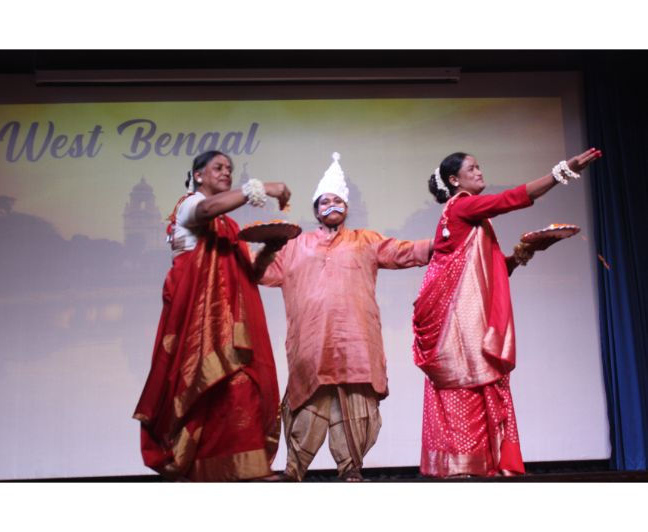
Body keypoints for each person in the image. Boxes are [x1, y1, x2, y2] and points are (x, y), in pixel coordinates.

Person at [412, 148, 602, 477]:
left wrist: (526, 250)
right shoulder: (462, 206)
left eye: (479, 166)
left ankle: (482, 467)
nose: (480, 172)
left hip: (466, 321)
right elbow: (511, 199)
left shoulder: (472, 218)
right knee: (469, 387)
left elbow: (492, 271)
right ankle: (465, 470)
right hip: (456, 324)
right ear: (455, 180)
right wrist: (562, 171)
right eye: (472, 168)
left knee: (481, 386)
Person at [256, 152, 432, 481]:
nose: (331, 206)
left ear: (347, 208)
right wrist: (259, 248)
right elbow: (260, 273)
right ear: (316, 210)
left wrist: (443, 242)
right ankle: (293, 471)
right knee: (306, 406)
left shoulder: (366, 241)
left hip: (357, 342)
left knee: (359, 408)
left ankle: (351, 470)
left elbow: (404, 251)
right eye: (325, 202)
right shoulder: (295, 245)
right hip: (312, 343)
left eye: (337, 201)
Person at [133, 150, 291, 481]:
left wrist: (270, 248)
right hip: (197, 321)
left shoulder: (228, 225)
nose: (226, 172)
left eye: (229, 169)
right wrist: (261, 187)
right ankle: (198, 468)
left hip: (231, 324)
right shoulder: (190, 205)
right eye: (217, 167)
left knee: (240, 384)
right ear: (198, 175)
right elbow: (207, 209)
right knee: (205, 385)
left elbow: (249, 273)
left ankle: (247, 468)